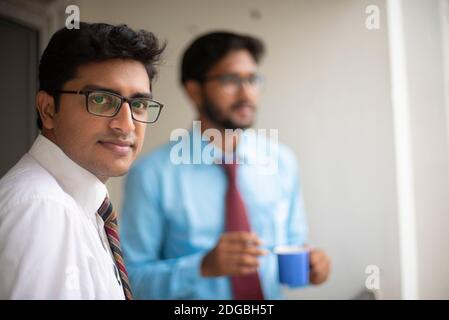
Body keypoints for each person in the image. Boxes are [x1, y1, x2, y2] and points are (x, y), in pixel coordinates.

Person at [120, 31, 331, 300]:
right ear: (194, 90)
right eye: (231, 80)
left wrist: (313, 267)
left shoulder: (282, 163)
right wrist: (201, 268)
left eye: (252, 79)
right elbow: (132, 281)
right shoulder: (152, 174)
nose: (247, 93)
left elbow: (292, 250)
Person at [0, 22, 165, 299]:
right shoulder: (44, 210)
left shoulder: (79, 207)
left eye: (138, 105)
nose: (126, 125)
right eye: (101, 99)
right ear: (48, 109)